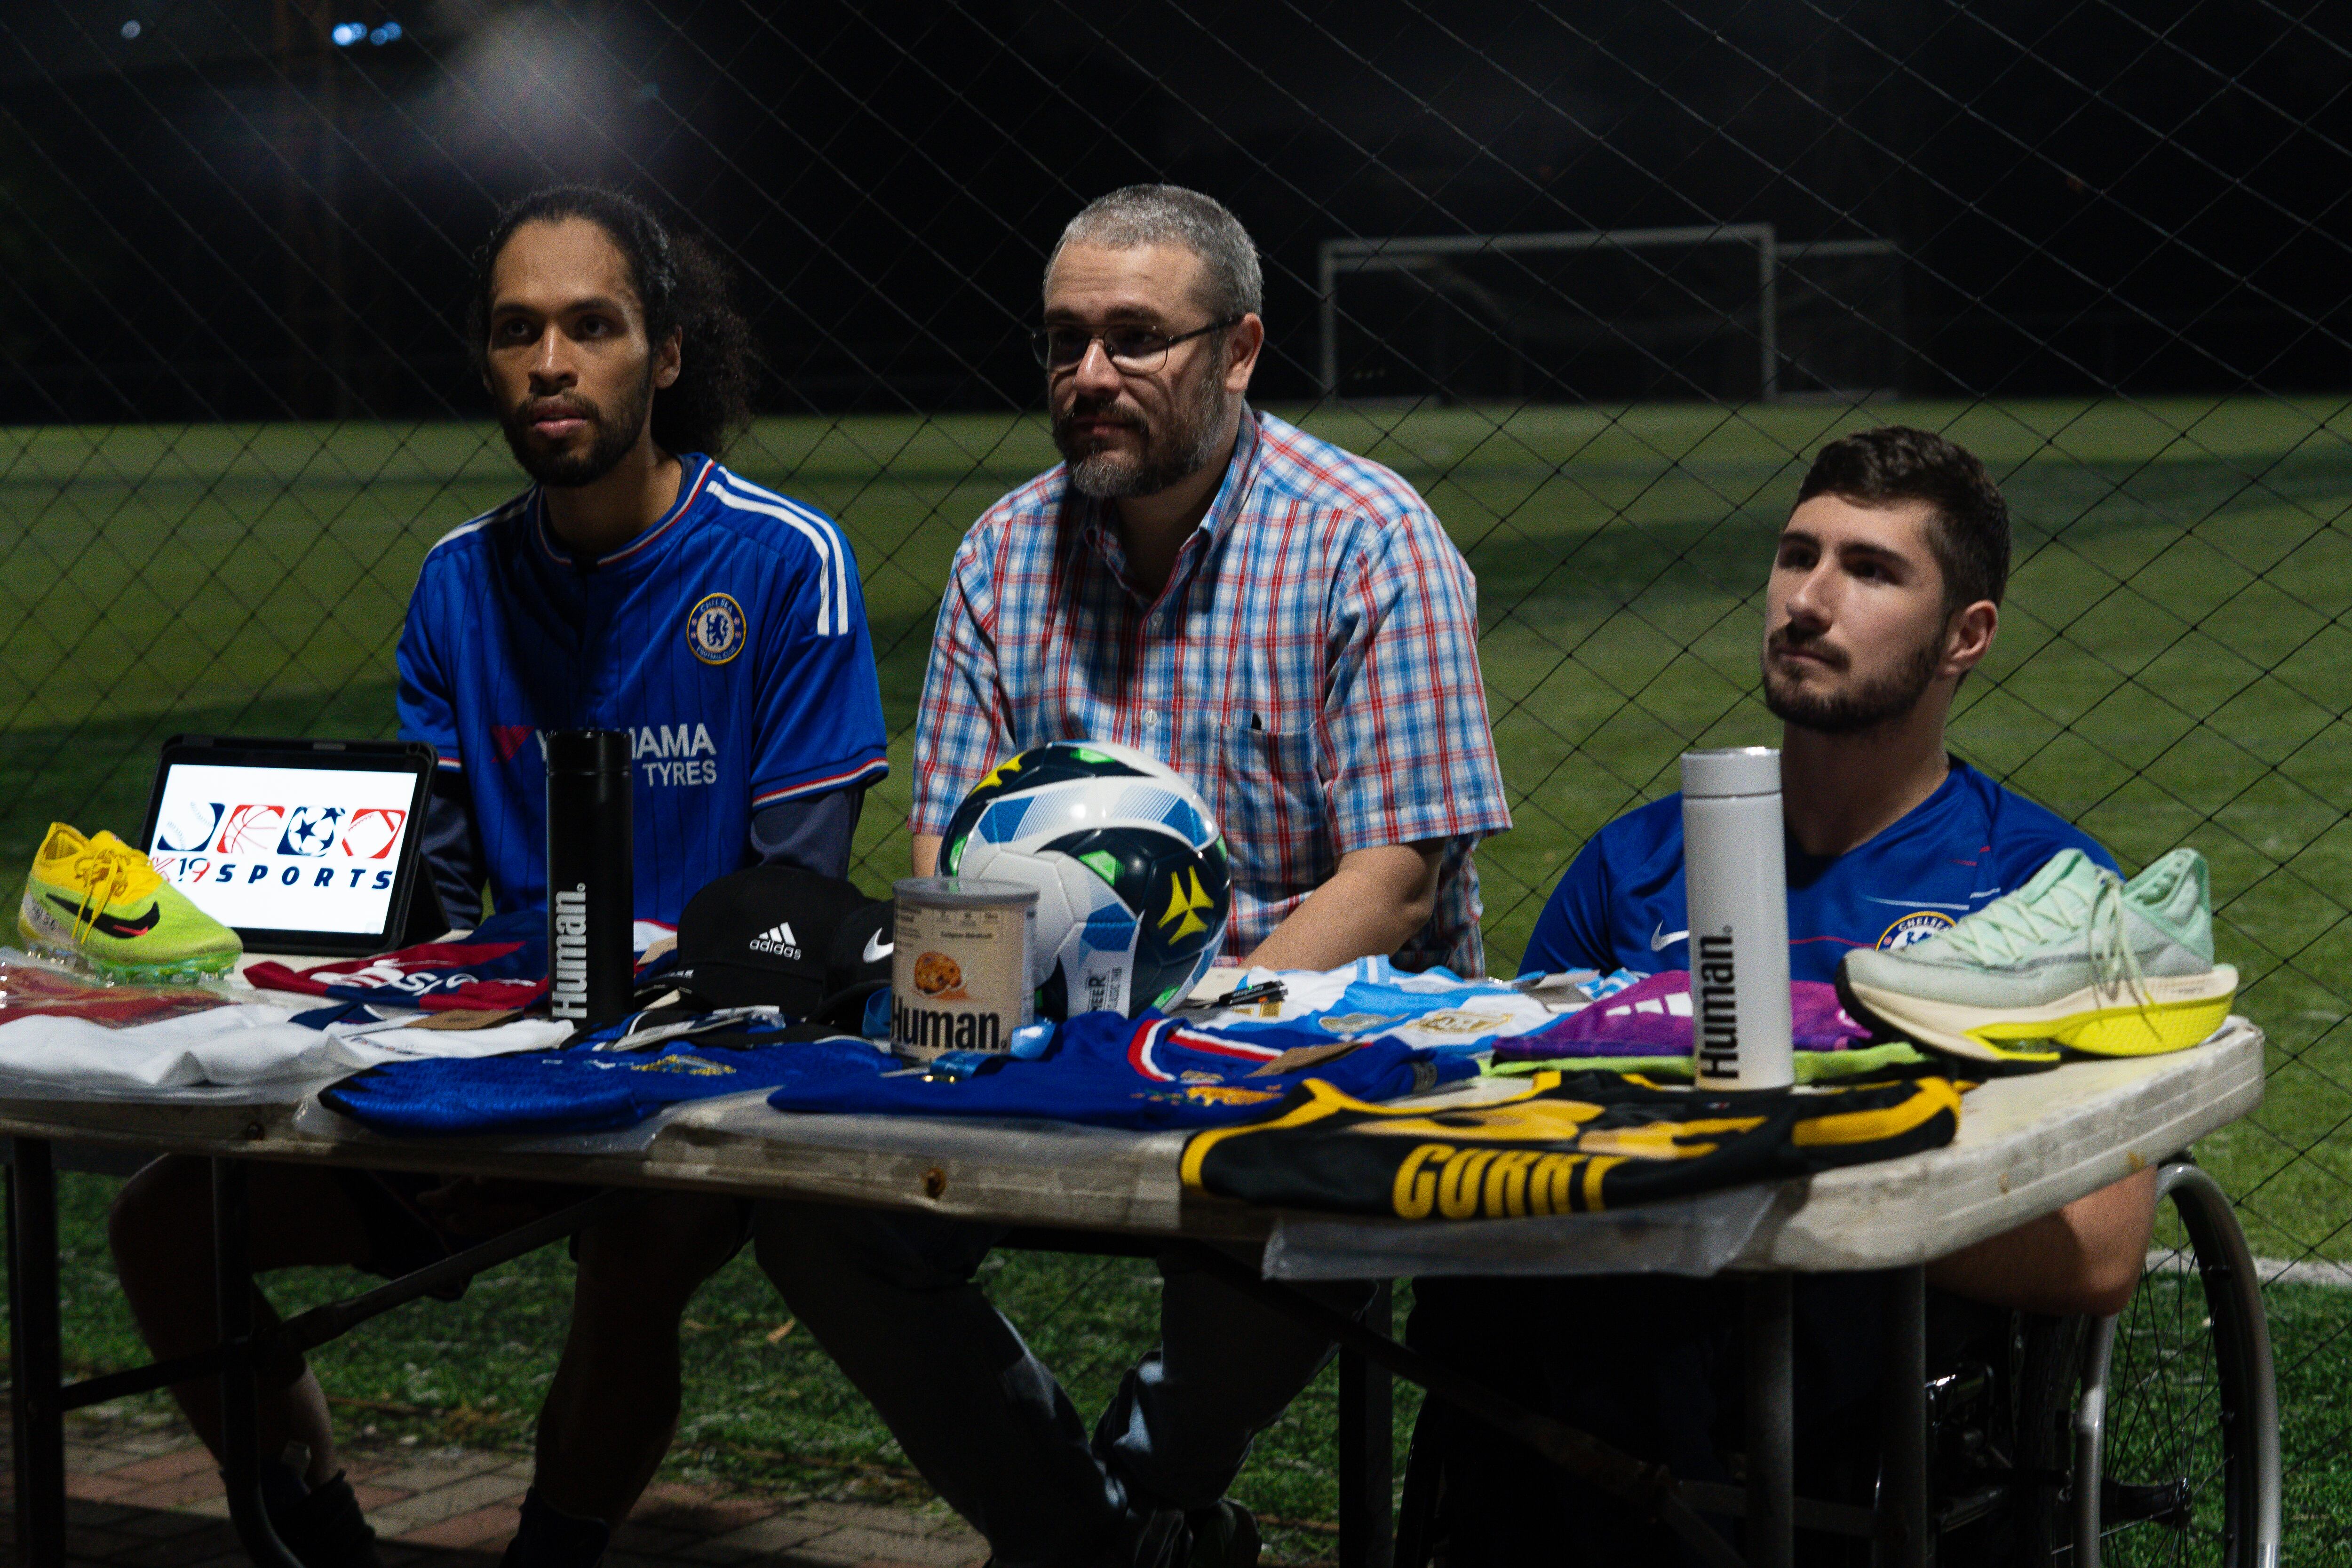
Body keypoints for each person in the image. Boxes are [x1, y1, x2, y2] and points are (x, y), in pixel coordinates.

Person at [105, 187, 889, 1568]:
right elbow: (437, 911)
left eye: (593, 325)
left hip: (696, 1081)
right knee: (165, 1221)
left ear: (668, 353)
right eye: (517, 329)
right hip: (484, 1064)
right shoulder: (457, 582)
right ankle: (326, 1541)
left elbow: (793, 912)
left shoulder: (784, 562)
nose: (550, 362)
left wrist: (565, 1106)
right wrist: (382, 1009)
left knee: (633, 1254)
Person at [756, 184, 1512, 1568]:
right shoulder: (1003, 552)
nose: (1090, 374)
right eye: (1065, 340)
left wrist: (1185, 1035)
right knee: (819, 1221)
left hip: (1295, 1047)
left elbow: (1398, 880)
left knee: (1267, 1213)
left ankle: (1134, 1503)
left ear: (1239, 350)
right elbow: (943, 857)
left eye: (1135, 338)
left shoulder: (1368, 537)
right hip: (1048, 1039)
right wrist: (969, 1034)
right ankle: (1113, 1543)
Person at [1412, 425, 2161, 1565]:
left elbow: (2100, 1251)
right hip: (1616, 1298)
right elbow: (1521, 1105)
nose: (1806, 600)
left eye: (1870, 570)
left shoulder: (2041, 889)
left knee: (1635, 1320)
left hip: (1866, 1334)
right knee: (1485, 1295)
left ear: (1965, 635)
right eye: (1795, 554)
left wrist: (1786, 1189)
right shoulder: (1632, 866)